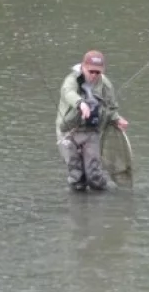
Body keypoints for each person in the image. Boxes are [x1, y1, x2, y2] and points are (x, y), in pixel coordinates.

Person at [55, 50, 129, 192]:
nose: (94, 75)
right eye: (91, 71)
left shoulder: (105, 84)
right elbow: (68, 92)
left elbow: (111, 107)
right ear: (83, 67)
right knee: (76, 178)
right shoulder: (71, 80)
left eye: (98, 72)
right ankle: (78, 206)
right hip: (68, 132)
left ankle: (104, 201)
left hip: (91, 131)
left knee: (94, 176)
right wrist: (81, 104)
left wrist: (117, 119)